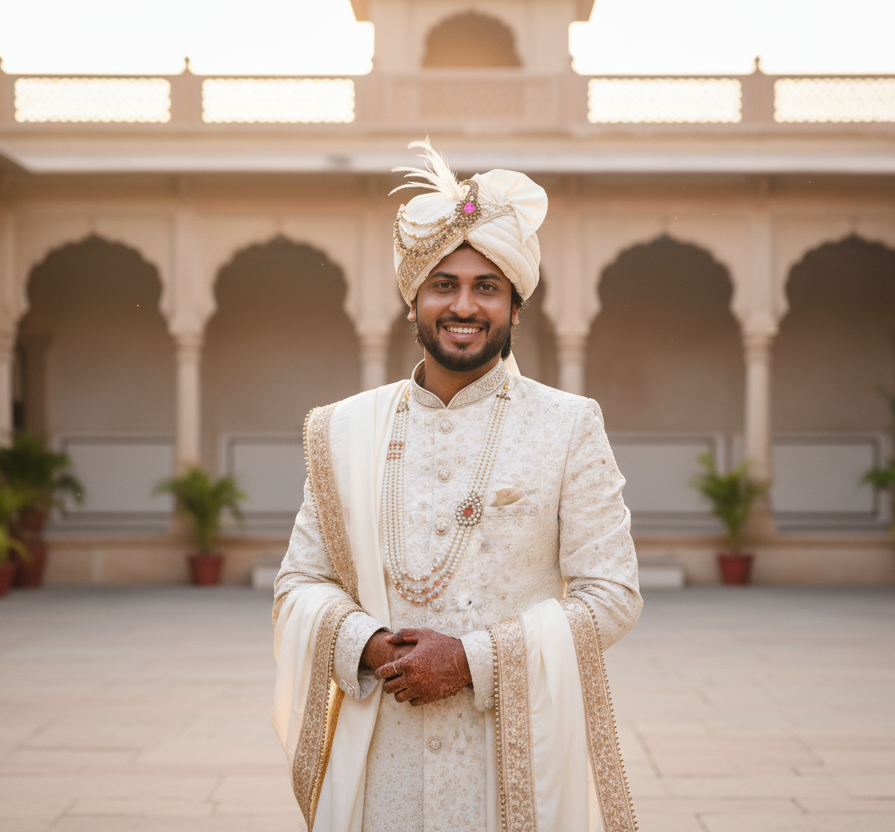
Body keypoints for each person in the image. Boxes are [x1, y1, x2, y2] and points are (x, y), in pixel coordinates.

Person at [272, 140, 642, 832]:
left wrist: (471, 660)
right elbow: (300, 583)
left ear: (515, 307)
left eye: (487, 287)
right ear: (412, 300)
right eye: (443, 284)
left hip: (511, 753)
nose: (463, 305)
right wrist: (368, 644)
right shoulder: (342, 430)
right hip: (383, 757)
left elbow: (611, 596)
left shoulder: (567, 425)